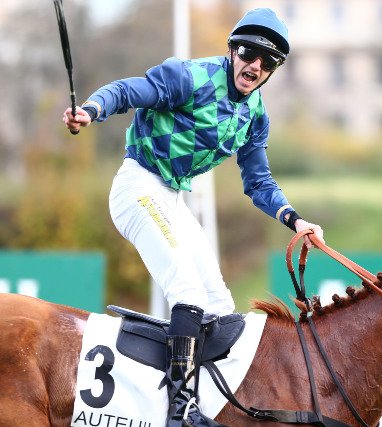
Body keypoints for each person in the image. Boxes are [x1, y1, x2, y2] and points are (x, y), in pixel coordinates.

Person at [63, 8, 323, 427]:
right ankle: (179, 408)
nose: (255, 66)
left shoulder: (256, 116)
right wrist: (92, 110)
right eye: (249, 53)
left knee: (219, 306)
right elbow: (126, 91)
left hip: (172, 199)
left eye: (268, 61)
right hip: (138, 186)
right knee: (187, 291)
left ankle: (209, 402)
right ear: (232, 50)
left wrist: (296, 220)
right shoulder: (187, 77)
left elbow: (258, 182)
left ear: (274, 70)